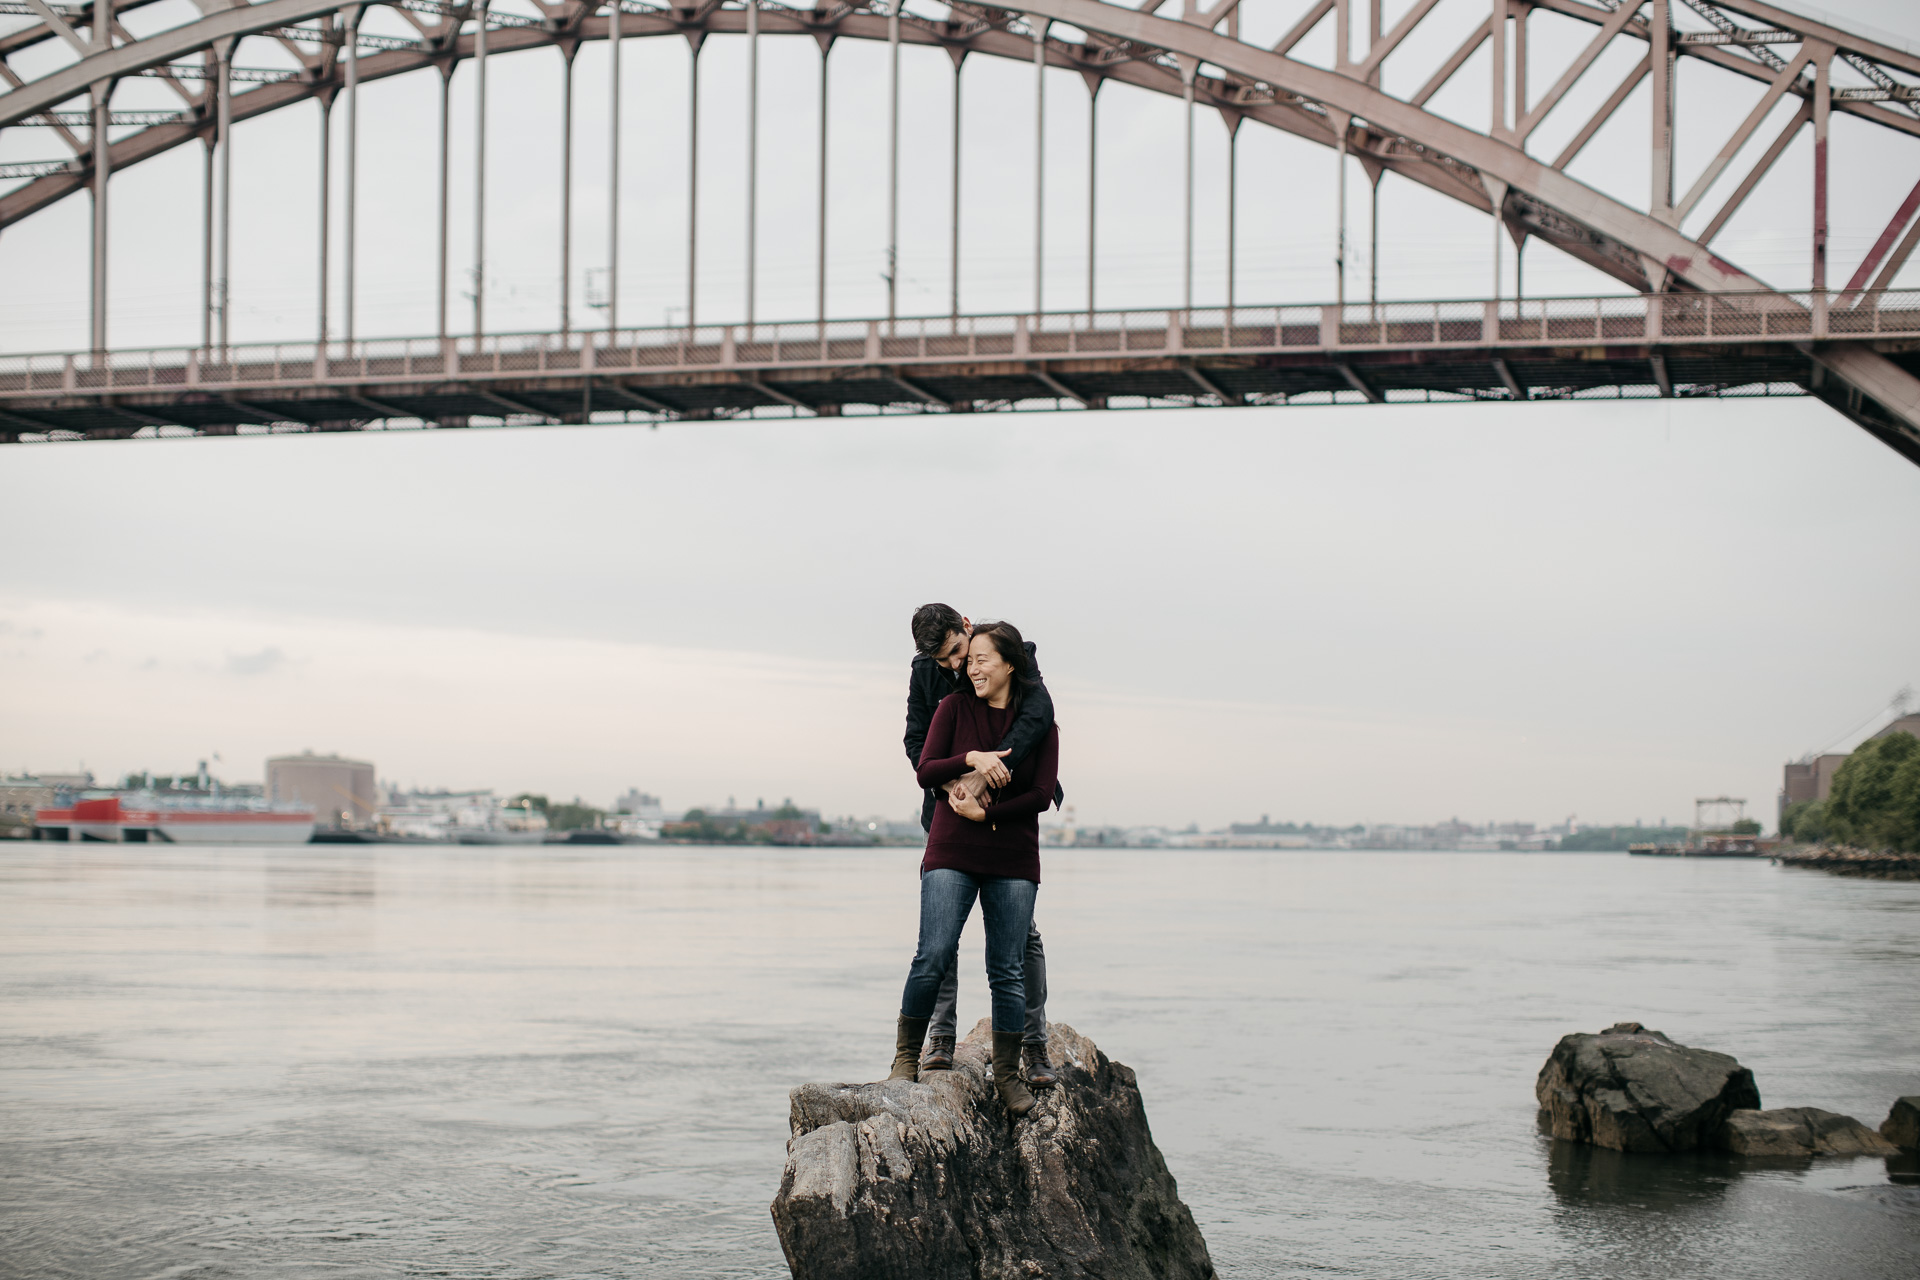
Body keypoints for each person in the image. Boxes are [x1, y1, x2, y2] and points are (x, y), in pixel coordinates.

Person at [891, 621, 1061, 1117]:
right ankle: (915, 1053)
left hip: (1011, 850)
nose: (965, 666)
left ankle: (1016, 1065)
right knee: (935, 952)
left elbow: (1041, 789)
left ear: (1009, 663)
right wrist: (967, 763)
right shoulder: (948, 700)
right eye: (964, 661)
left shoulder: (1038, 712)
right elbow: (924, 761)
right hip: (951, 842)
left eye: (975, 656)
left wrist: (986, 808)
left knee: (1009, 964)